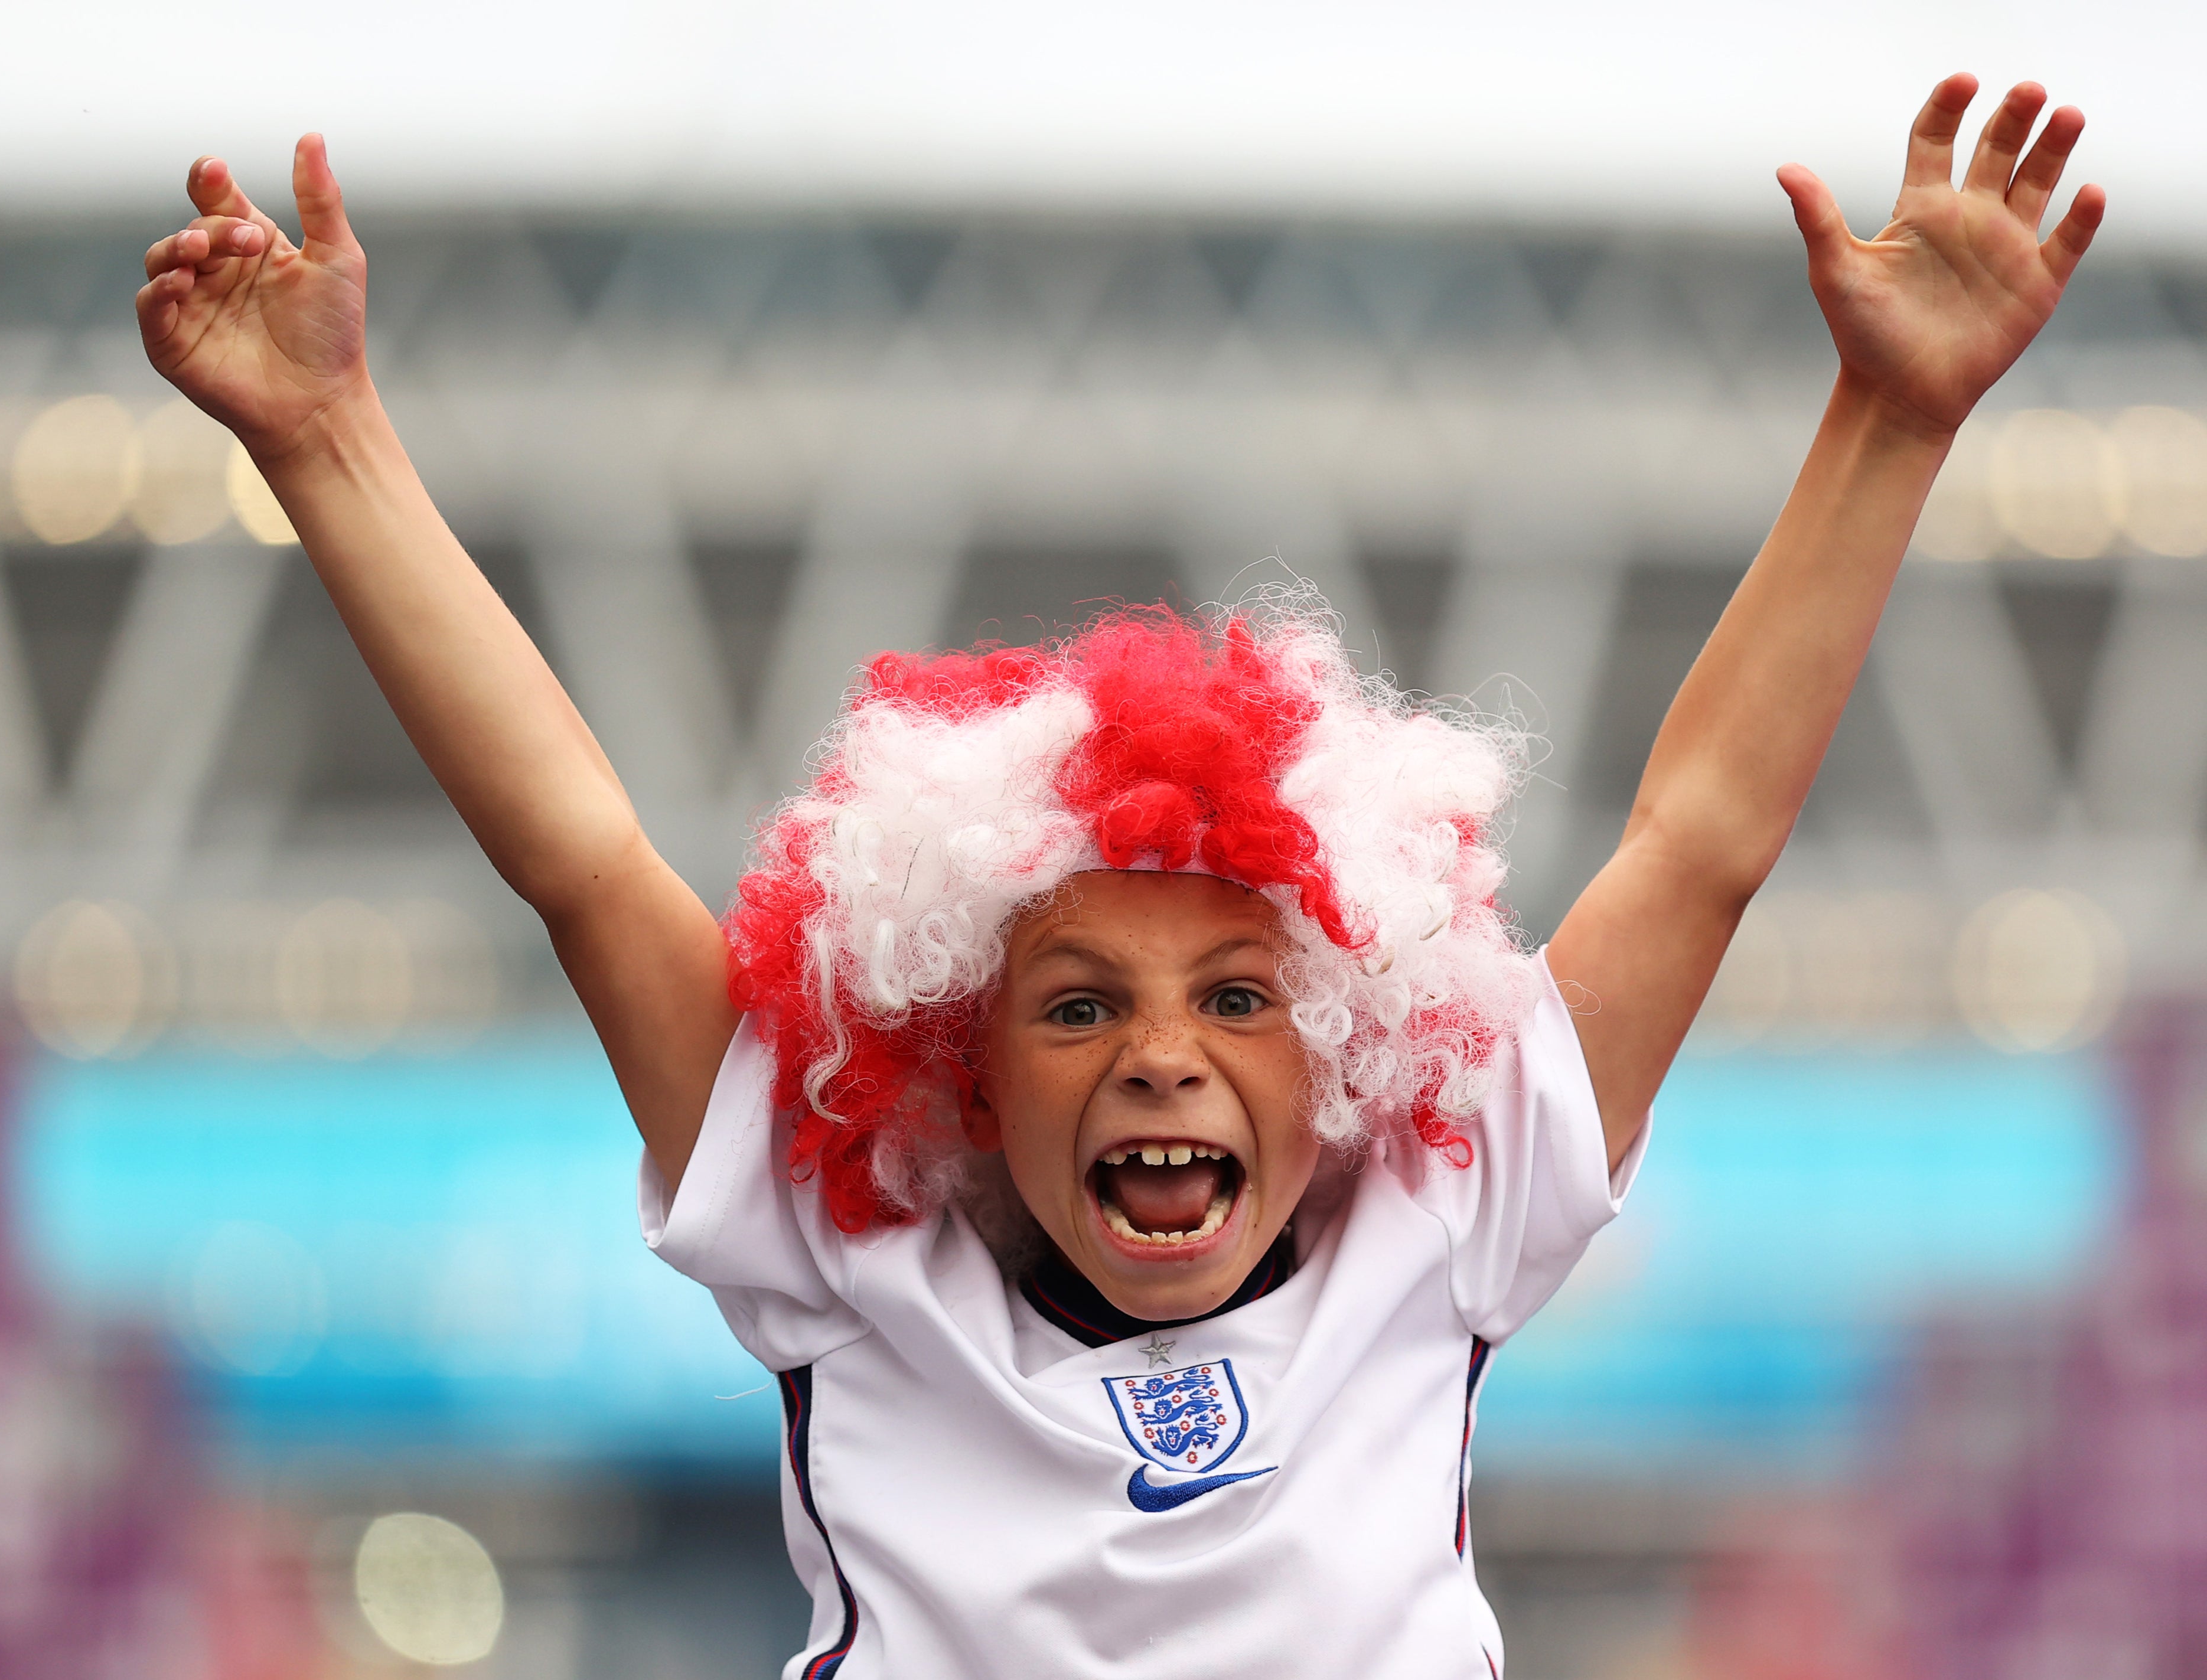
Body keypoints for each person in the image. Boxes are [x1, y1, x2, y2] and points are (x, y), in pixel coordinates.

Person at [138, 74, 2101, 1678]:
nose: (1163, 1056)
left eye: (1236, 996)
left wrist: (1893, 413)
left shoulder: (1447, 1213)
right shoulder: (857, 1266)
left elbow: (1704, 836)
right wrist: (325, 445)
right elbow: (579, 857)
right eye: (1079, 1005)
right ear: (961, 1076)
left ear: (1346, 1046)